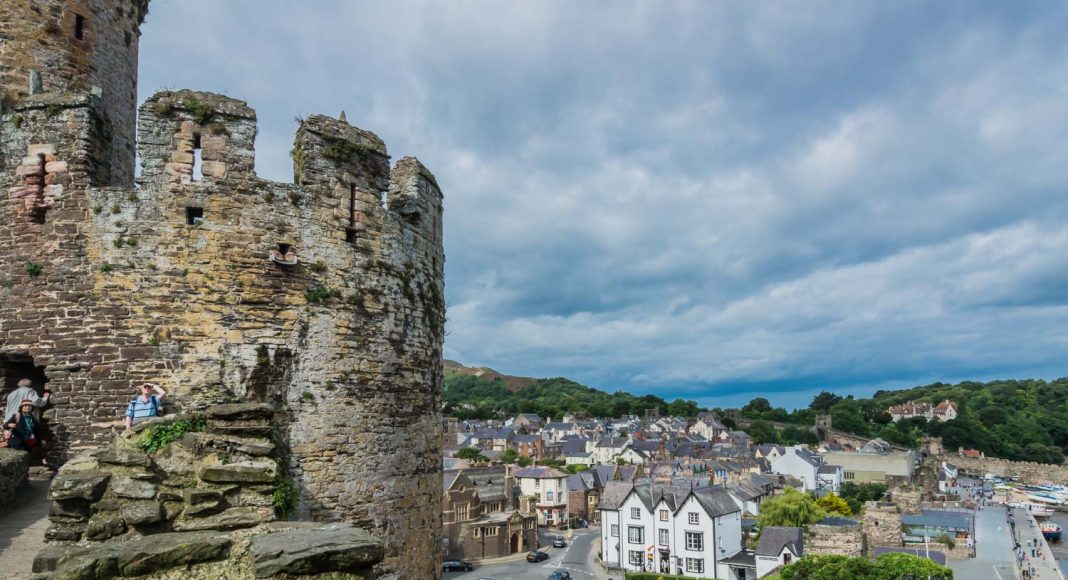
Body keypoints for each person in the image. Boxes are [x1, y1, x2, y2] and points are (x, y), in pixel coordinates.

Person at [4, 399, 49, 464]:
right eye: (25, 406)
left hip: (29, 441)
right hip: (19, 442)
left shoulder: (32, 417)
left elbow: (38, 430)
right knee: (22, 457)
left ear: (32, 408)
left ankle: (34, 464)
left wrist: (42, 439)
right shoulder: (17, 416)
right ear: (21, 408)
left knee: (32, 454)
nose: (27, 407)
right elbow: (5, 425)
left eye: (29, 406)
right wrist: (9, 424)